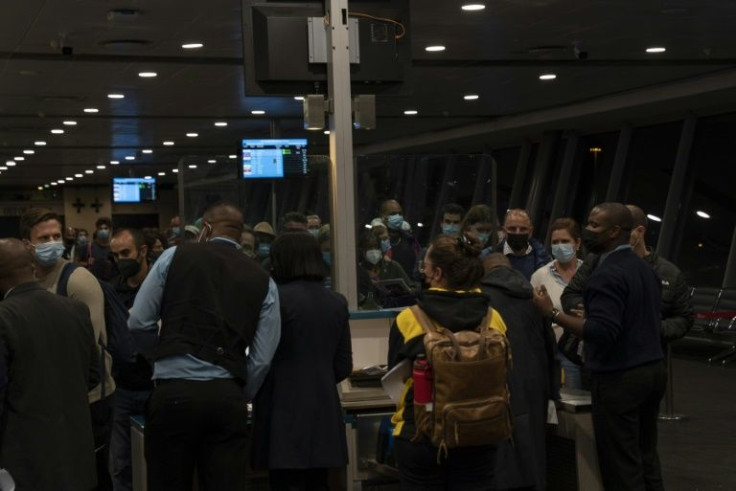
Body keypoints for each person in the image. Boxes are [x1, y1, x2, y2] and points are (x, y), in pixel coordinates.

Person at [128, 202, 281, 491]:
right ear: (240, 234)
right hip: (227, 397)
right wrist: (238, 391)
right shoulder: (263, 280)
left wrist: (159, 355)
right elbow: (261, 359)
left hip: (173, 393)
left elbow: (138, 322)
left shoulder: (175, 256)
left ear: (206, 228)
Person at [532, 202, 666, 491]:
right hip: (653, 371)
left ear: (615, 231)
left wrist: (552, 313)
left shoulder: (606, 275)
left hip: (621, 378)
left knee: (621, 465)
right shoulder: (646, 270)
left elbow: (601, 332)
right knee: (646, 458)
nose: (587, 230)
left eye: (594, 225)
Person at [388, 234, 507, 489]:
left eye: (426, 266)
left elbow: (395, 380)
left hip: (421, 434)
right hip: (480, 433)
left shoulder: (410, 319)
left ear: (438, 273)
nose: (424, 271)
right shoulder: (492, 317)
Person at [20, 208, 115, 491]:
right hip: (50, 400)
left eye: (56, 236)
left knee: (91, 477)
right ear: (27, 243)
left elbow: (88, 345)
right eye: (44, 237)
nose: (52, 242)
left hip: (88, 398)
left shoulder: (77, 280)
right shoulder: (26, 281)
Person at [252, 232, 352, 490]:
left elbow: (261, 357)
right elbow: (343, 366)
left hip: (281, 414)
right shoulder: (337, 302)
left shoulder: (273, 300)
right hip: (325, 412)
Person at [0, 238, 99, 491]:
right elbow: (94, 376)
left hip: (24, 466)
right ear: (32, 266)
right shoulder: (75, 310)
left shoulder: (4, 317)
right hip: (78, 460)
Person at [561, 205, 694, 346]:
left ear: (640, 231)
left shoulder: (668, 273)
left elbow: (684, 318)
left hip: (638, 356)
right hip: (585, 351)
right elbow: (570, 294)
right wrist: (593, 311)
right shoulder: (596, 259)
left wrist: (648, 328)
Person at [480, 253, 557, 491]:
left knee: (501, 455)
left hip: (497, 383)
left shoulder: (481, 299)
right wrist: (553, 391)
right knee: (533, 450)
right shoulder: (534, 295)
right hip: (534, 383)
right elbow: (550, 347)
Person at [108, 228, 154, 491]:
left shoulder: (160, 285)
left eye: (125, 253)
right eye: (115, 255)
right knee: (121, 463)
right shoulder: (112, 289)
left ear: (143, 251)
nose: (120, 260)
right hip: (123, 386)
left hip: (155, 383)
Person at [530, 217, 585, 389]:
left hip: (587, 350)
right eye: (555, 242)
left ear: (577, 243)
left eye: (565, 241)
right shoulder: (540, 276)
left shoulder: (590, 273)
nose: (560, 246)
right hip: (556, 351)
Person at [493, 209, 551, 281]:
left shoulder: (543, 260)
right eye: (512, 229)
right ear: (504, 231)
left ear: (530, 232)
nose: (517, 233)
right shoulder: (488, 256)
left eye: (523, 229)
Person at [380, 199, 420, 280]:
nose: (398, 216)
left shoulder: (410, 240)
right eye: (393, 214)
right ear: (383, 217)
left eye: (400, 213)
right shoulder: (377, 242)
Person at [89, 217, 118, 282]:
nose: (103, 230)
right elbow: (76, 265)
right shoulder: (89, 247)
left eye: (105, 228)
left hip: (112, 282)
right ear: (97, 230)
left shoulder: (115, 247)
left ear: (110, 230)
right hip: (94, 282)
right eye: (100, 228)